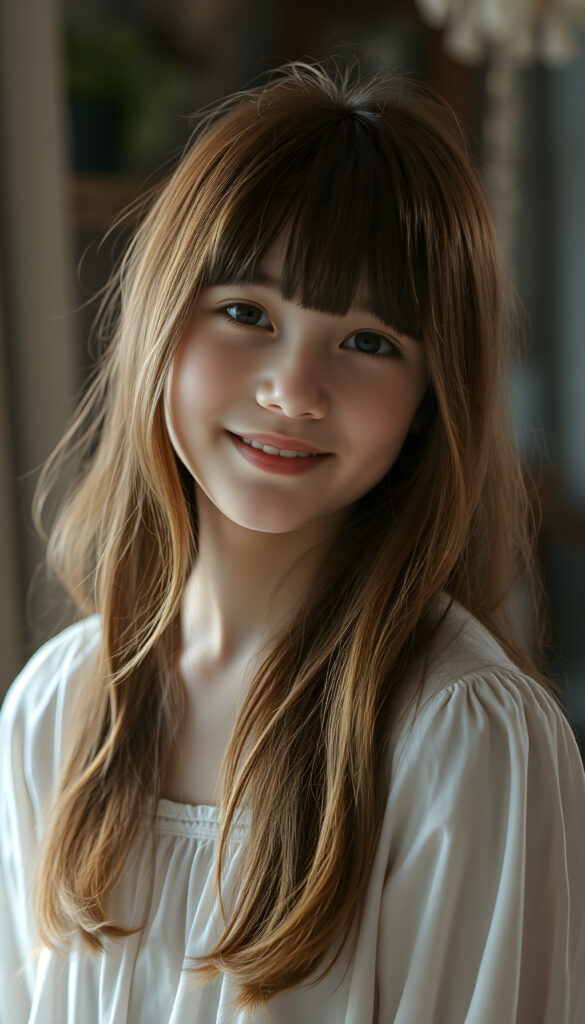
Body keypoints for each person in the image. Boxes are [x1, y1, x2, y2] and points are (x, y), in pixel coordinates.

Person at [1, 61, 584, 1024]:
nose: (292, 390)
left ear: (428, 402)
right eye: (247, 314)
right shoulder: (57, 708)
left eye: (367, 343)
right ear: (160, 325)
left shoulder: (461, 739)